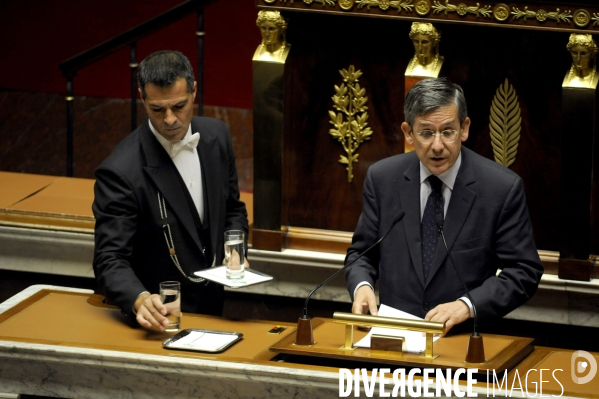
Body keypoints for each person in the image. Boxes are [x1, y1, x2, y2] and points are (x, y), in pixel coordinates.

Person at [345, 78, 543, 334]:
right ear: (408, 133)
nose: (437, 145)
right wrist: (362, 286)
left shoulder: (500, 188)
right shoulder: (382, 179)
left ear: (464, 128)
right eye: (426, 133)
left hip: (464, 341)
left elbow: (524, 271)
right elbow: (362, 254)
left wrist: (467, 305)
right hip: (392, 339)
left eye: (447, 132)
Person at [93, 50, 249, 331]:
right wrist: (139, 299)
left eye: (179, 106)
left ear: (194, 92)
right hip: (159, 318)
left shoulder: (217, 136)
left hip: (214, 309)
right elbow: (109, 259)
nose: (169, 119)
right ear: (142, 98)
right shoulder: (120, 171)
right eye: (157, 109)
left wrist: (235, 248)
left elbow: (233, 209)